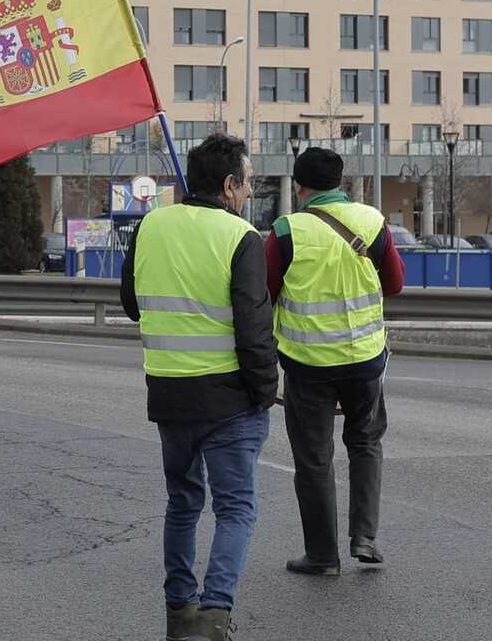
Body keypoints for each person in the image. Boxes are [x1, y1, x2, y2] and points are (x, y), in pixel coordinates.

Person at [120, 134, 278, 641]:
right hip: (230, 399)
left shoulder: (149, 226)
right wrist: (265, 390)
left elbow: (132, 301)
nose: (249, 193)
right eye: (248, 183)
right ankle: (214, 616)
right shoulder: (241, 237)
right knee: (235, 508)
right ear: (230, 184)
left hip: (168, 394)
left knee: (182, 504)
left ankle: (178, 613)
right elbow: (254, 330)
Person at [264, 148, 405, 576]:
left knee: (314, 459)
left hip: (308, 365)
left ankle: (323, 556)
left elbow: (264, 291)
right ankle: (365, 538)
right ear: (340, 183)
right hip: (364, 360)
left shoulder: (286, 230)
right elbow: (395, 284)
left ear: (300, 187)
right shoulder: (372, 221)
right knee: (365, 443)